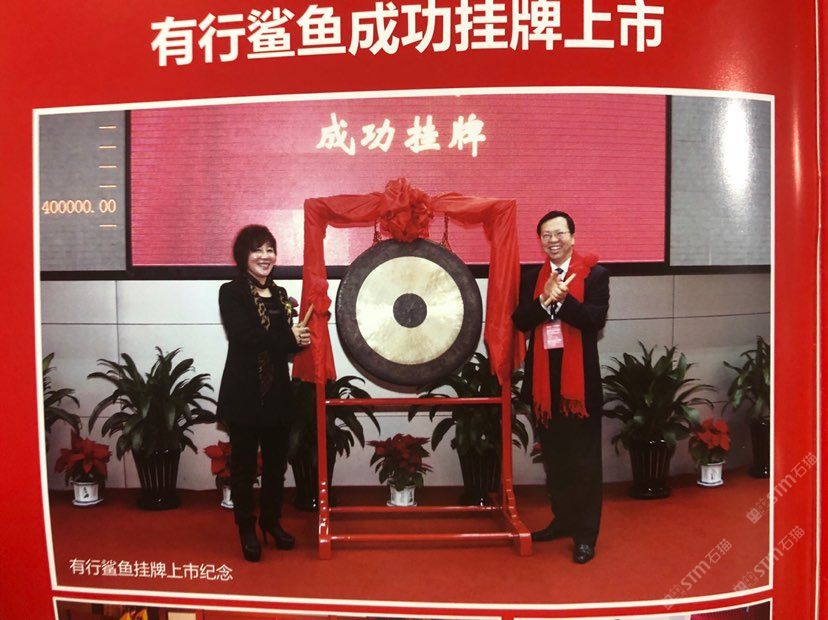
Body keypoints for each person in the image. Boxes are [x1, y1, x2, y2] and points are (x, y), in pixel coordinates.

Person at [512, 210, 609, 564]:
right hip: (543, 385)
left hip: (579, 387)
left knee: (584, 462)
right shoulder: (531, 277)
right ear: (540, 240)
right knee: (555, 459)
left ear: (572, 236)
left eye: (559, 234)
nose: (553, 241)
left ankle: (585, 535)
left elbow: (594, 320)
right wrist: (543, 299)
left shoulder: (595, 274)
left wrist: (563, 299)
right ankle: (563, 520)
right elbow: (520, 319)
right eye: (546, 235)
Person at [216, 224, 310, 562]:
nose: (265, 256)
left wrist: (299, 340)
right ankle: (246, 529)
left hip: (277, 394)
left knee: (275, 468)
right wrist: (287, 338)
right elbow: (244, 336)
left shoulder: (281, 295)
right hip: (244, 393)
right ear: (243, 255)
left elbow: (282, 346)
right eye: (257, 249)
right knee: (243, 468)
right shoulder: (231, 292)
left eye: (270, 249)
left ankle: (272, 522)